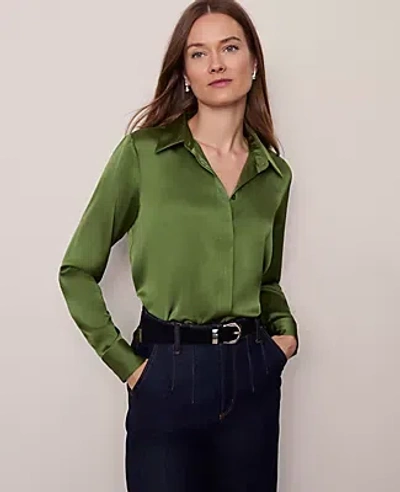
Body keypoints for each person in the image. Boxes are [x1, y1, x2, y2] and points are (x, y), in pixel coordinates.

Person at [58, 0, 299, 490]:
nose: (216, 64)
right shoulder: (144, 155)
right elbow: (77, 270)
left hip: (252, 374)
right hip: (166, 374)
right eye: (198, 53)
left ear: (253, 63)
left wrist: (284, 336)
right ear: (185, 73)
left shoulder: (274, 174)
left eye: (230, 48)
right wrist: (129, 367)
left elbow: (267, 279)